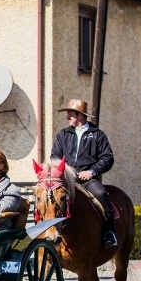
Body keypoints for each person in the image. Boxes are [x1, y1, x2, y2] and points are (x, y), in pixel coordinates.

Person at [50, 98, 117, 248]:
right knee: (49, 196)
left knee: (101, 194)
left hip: (88, 179)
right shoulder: (63, 134)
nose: (67, 117)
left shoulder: (98, 135)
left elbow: (108, 157)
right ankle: (48, 231)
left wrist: (92, 171)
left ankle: (110, 232)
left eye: (70, 114)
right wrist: (65, 172)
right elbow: (55, 156)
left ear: (80, 115)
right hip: (67, 179)